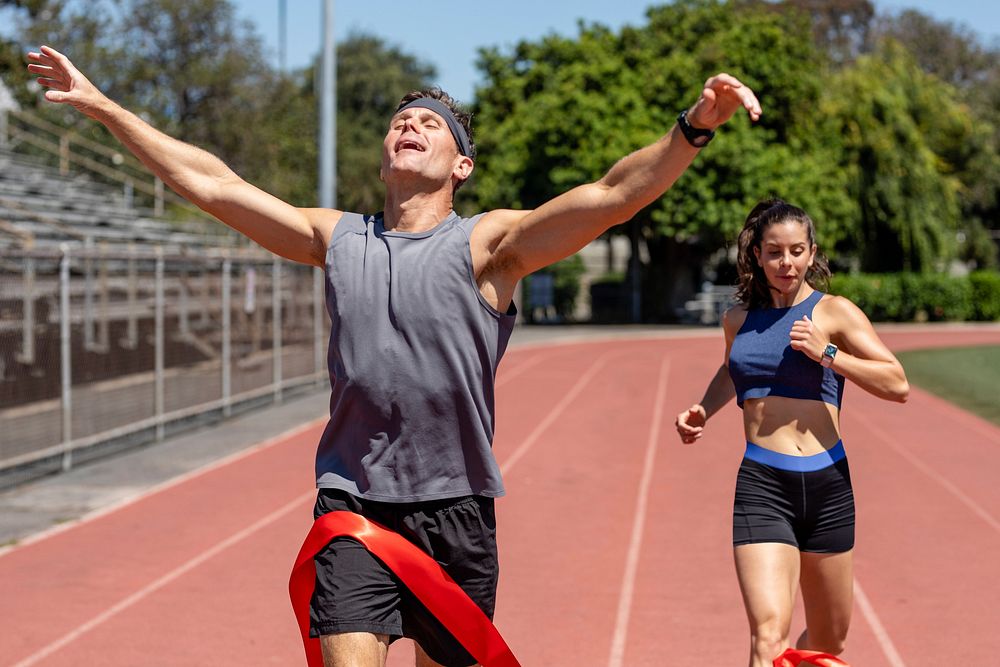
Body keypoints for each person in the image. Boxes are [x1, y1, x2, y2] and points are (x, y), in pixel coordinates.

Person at [28, 44, 761, 667]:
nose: (409, 124)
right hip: (354, 506)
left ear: (461, 165)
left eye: (430, 123)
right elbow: (214, 186)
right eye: (400, 120)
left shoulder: (488, 247)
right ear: (385, 154)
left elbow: (610, 196)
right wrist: (104, 107)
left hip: (457, 511)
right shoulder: (337, 236)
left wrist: (694, 128)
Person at [674, 199, 910, 667]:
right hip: (764, 485)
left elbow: (897, 384)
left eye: (797, 251)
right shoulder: (737, 319)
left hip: (828, 486)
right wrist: (704, 407)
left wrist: (828, 355)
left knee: (829, 640)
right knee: (767, 638)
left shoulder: (835, 313)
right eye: (775, 252)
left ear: (812, 252)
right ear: (757, 256)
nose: (787, 263)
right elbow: (732, 369)